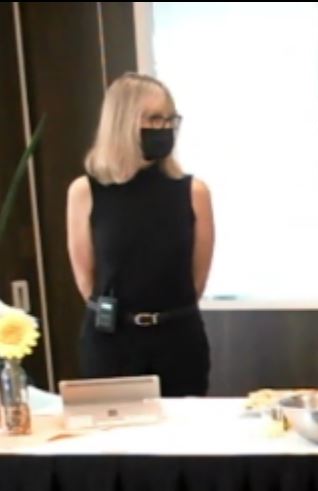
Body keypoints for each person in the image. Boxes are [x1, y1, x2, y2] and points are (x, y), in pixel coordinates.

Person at [66, 72, 214, 396]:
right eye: (154, 119)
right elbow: (86, 279)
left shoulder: (194, 192)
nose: (164, 128)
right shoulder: (85, 192)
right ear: (122, 122)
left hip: (178, 339)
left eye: (170, 120)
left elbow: (197, 279)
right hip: (111, 342)